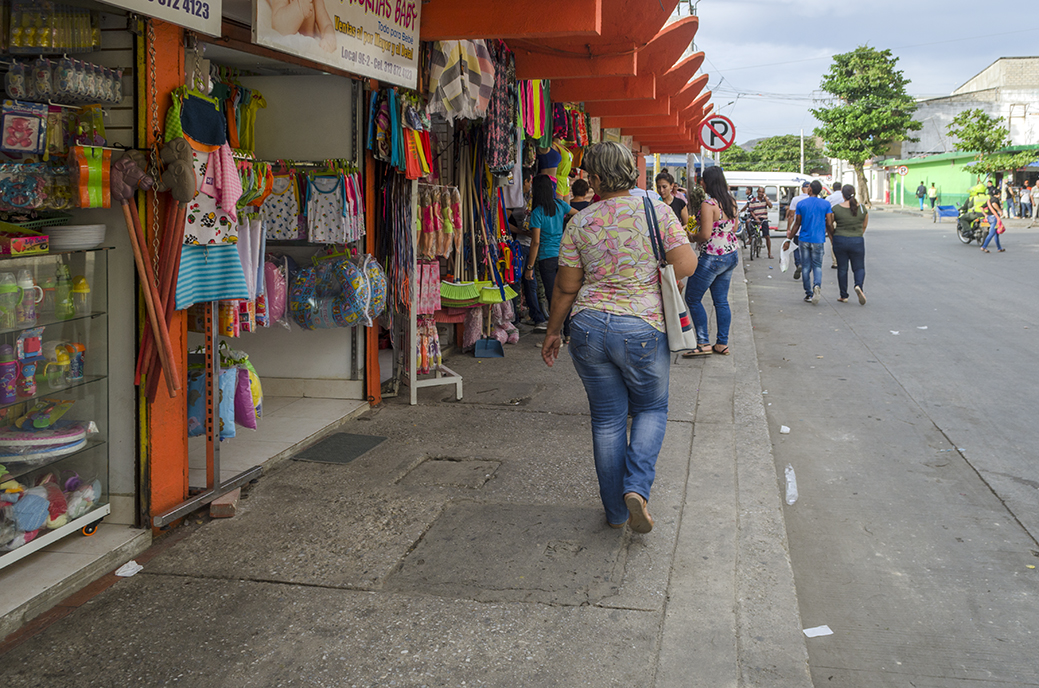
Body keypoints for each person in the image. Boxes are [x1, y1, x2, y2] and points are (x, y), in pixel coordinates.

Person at [540, 142, 697, 533]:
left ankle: (615, 512)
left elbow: (565, 286)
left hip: (589, 327)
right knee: (651, 409)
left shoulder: (580, 221)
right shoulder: (656, 210)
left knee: (607, 421)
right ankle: (637, 489)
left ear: (593, 179)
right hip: (642, 327)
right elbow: (687, 263)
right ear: (631, 172)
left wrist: (553, 331)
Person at [682, 166, 740, 358]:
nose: (701, 183)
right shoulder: (730, 201)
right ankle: (722, 343)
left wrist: (691, 237)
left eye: (702, 180)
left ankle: (703, 342)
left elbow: (704, 234)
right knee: (721, 301)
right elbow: (735, 227)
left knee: (692, 297)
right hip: (730, 255)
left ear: (707, 182)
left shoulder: (709, 204)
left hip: (712, 257)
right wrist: (692, 224)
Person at [527, 175, 577, 339]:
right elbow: (580, 215)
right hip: (563, 257)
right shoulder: (561, 205)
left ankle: (556, 334)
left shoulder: (537, 213)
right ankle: (568, 333)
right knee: (565, 294)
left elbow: (535, 242)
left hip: (546, 259)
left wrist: (529, 267)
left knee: (552, 297)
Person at [508, 168, 548, 332]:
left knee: (529, 282)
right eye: (528, 181)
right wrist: (521, 231)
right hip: (521, 245)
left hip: (532, 245)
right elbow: (502, 219)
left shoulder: (535, 201)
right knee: (519, 282)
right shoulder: (516, 200)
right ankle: (516, 317)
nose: (529, 185)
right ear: (523, 182)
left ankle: (535, 316)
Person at [787, 180, 833, 304]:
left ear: (810, 190)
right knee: (817, 266)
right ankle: (817, 285)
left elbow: (797, 224)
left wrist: (788, 239)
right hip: (818, 239)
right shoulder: (825, 204)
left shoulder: (801, 204)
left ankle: (809, 294)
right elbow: (829, 223)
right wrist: (833, 237)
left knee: (806, 267)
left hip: (804, 239)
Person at [830, 184, 868, 305]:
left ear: (842, 194)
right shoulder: (862, 208)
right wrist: (857, 234)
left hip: (840, 239)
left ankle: (843, 295)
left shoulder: (836, 208)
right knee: (859, 267)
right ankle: (858, 286)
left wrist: (833, 236)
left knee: (842, 268)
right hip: (857, 240)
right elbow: (864, 226)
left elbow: (830, 224)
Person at [786, 181, 811, 280]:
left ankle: (798, 264)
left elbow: (791, 215)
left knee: (796, 248)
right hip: (809, 230)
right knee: (808, 250)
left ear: (802, 189)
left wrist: (789, 228)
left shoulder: (796, 199)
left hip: (797, 229)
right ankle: (805, 265)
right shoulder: (813, 199)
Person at [743, 186, 773, 259]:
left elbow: (770, 206)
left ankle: (769, 253)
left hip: (764, 218)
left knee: (767, 236)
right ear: (757, 192)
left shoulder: (766, 199)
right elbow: (751, 210)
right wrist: (756, 217)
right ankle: (751, 238)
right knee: (748, 222)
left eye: (762, 192)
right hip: (755, 218)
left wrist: (765, 198)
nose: (761, 193)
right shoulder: (753, 200)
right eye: (760, 192)